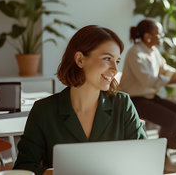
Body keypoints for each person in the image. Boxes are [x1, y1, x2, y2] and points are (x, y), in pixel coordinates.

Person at [13, 25, 147, 175]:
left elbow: (143, 159)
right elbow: (23, 168)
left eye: (117, 61)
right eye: (107, 59)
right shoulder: (44, 110)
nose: (115, 70)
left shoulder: (123, 105)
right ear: (80, 59)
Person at [119, 18, 176, 173]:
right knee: (171, 119)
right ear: (147, 36)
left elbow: (164, 69)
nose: (161, 36)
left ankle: (161, 153)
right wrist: (175, 79)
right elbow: (148, 80)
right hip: (133, 100)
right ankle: (161, 157)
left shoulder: (153, 51)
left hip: (149, 97)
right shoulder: (135, 53)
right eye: (158, 33)